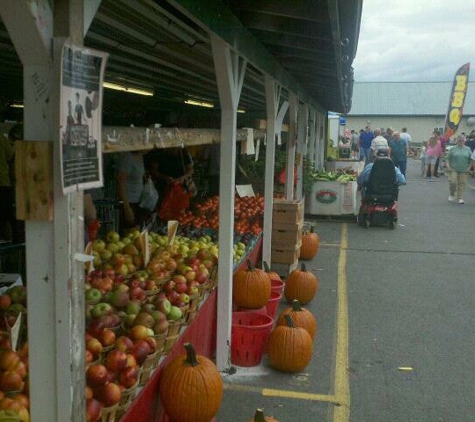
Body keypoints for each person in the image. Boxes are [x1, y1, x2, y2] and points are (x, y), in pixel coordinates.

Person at [116, 151, 147, 231]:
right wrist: (127, 208)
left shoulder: (140, 155)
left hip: (139, 200)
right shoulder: (127, 158)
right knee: (130, 232)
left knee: (138, 231)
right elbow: (120, 183)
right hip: (129, 201)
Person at [446, 135, 472, 204]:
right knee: (453, 182)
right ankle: (452, 194)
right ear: (457, 141)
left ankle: (460, 198)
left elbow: (471, 159)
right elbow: (447, 158)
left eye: (462, 140)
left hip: (464, 169)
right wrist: (448, 166)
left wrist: (469, 167)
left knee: (462, 184)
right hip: (454, 169)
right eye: (459, 140)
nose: (461, 142)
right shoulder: (453, 149)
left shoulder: (468, 149)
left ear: (465, 141)